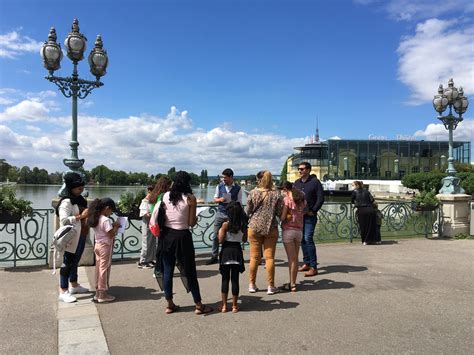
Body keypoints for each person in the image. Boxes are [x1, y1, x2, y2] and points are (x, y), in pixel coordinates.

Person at [157, 171, 213, 315]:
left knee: (167, 271)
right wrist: (196, 218)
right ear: (187, 183)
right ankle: (198, 305)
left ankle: (169, 304)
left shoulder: (165, 196)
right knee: (190, 272)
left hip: (167, 236)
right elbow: (191, 223)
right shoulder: (190, 198)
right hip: (183, 237)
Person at [245, 170, 283, 295]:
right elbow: (279, 212)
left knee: (254, 258)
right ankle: (271, 286)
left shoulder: (253, 193)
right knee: (270, 258)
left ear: (259, 180)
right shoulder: (276, 194)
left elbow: (248, 211)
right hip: (270, 227)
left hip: (254, 227)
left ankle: (251, 284)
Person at [56, 172, 90, 303]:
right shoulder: (66, 201)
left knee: (75, 261)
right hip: (71, 237)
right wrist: (80, 216)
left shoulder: (80, 199)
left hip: (81, 234)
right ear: (71, 188)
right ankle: (63, 290)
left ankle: (74, 285)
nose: (81, 190)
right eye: (79, 188)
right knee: (67, 263)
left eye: (82, 187)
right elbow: (63, 220)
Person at [293, 162, 324, 277]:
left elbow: (320, 198)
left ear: (308, 170)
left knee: (308, 238)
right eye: (299, 169)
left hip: (310, 216)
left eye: (302, 169)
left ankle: (313, 267)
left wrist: (314, 210)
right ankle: (306, 263)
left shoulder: (315, 182)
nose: (300, 171)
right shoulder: (296, 183)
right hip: (299, 216)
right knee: (302, 240)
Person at [87, 198, 121, 303]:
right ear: (106, 208)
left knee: (98, 268)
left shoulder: (96, 218)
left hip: (97, 245)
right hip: (105, 246)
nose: (111, 213)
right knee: (104, 269)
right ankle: (103, 294)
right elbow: (111, 234)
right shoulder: (105, 220)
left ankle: (97, 293)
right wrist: (116, 226)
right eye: (111, 211)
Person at [207, 168, 242, 265]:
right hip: (220, 213)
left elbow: (239, 202)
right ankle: (214, 256)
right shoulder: (219, 186)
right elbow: (215, 199)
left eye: (225, 178)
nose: (224, 180)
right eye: (223, 178)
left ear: (231, 177)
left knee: (231, 236)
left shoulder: (238, 188)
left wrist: (232, 203)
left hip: (232, 215)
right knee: (215, 236)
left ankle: (227, 255)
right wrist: (221, 200)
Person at [217, 201, 247, 313]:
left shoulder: (225, 225)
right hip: (237, 251)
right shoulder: (243, 225)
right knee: (235, 279)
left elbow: (220, 240)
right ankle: (235, 306)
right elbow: (244, 239)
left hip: (226, 252)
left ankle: (224, 306)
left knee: (225, 279)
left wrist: (220, 231)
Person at [280, 181, 306, 292]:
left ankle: (292, 284)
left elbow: (282, 217)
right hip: (299, 231)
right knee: (295, 258)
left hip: (288, 231)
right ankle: (293, 283)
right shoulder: (301, 199)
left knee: (291, 259)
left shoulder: (287, 200)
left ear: (285, 189)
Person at [351, 181, 377, 245]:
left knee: (363, 226)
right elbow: (372, 200)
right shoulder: (366, 191)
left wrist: (356, 204)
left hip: (362, 210)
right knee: (371, 225)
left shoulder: (354, 192)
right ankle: (372, 240)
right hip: (371, 210)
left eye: (353, 185)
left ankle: (365, 241)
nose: (352, 187)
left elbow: (352, 200)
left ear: (356, 185)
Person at [137, 185, 156, 269]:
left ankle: (150, 259)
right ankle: (143, 261)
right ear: (149, 191)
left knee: (152, 242)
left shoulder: (152, 201)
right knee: (146, 242)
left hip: (152, 224)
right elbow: (144, 214)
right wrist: (153, 214)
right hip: (147, 224)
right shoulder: (144, 201)